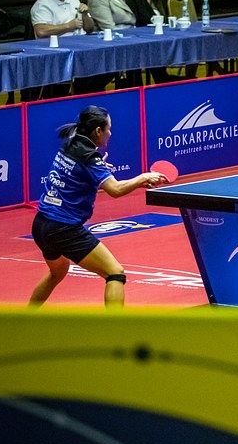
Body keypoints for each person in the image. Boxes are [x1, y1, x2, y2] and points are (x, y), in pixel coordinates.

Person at [29, 105, 169, 309]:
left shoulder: (72, 143)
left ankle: (25, 319)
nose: (110, 133)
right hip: (63, 228)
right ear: (97, 131)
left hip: (41, 225)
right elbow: (115, 189)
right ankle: (113, 326)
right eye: (108, 128)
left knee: (57, 272)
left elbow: (79, 173)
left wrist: (100, 169)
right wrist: (143, 177)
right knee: (115, 273)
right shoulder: (90, 157)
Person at [126, 0, 172, 85]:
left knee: (162, 76)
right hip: (142, 45)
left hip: (159, 43)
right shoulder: (132, 0)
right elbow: (133, 25)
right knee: (160, 75)